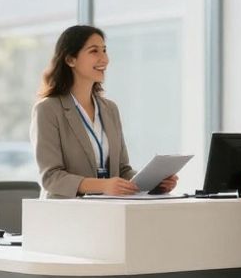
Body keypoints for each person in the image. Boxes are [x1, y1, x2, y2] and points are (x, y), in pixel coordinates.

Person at [30, 25, 178, 199]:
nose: (104, 59)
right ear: (70, 59)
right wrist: (103, 185)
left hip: (109, 209)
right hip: (66, 212)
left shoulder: (110, 109)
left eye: (104, 51)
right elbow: (51, 177)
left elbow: (123, 170)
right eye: (94, 51)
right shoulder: (48, 110)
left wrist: (155, 183)